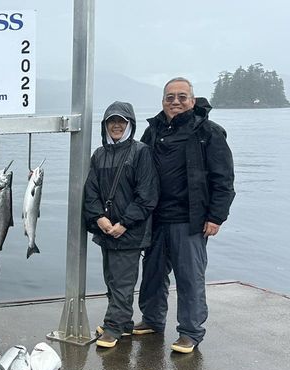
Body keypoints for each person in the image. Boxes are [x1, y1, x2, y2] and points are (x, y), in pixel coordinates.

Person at [134, 77, 235, 353]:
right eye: (170, 97)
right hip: (155, 218)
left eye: (181, 97)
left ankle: (190, 332)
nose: (175, 102)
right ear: (163, 101)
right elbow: (137, 170)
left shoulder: (209, 132)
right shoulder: (152, 131)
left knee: (190, 278)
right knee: (152, 275)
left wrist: (216, 217)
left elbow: (223, 179)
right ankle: (152, 320)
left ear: (192, 100)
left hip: (190, 220)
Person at [84, 101, 158, 348]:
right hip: (106, 231)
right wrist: (100, 219)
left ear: (130, 124)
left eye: (121, 121)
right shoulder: (99, 154)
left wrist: (124, 223)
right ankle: (123, 323)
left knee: (123, 282)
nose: (116, 125)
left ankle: (113, 328)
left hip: (130, 233)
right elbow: (91, 191)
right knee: (112, 280)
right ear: (105, 125)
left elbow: (147, 195)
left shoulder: (141, 152)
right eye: (111, 121)